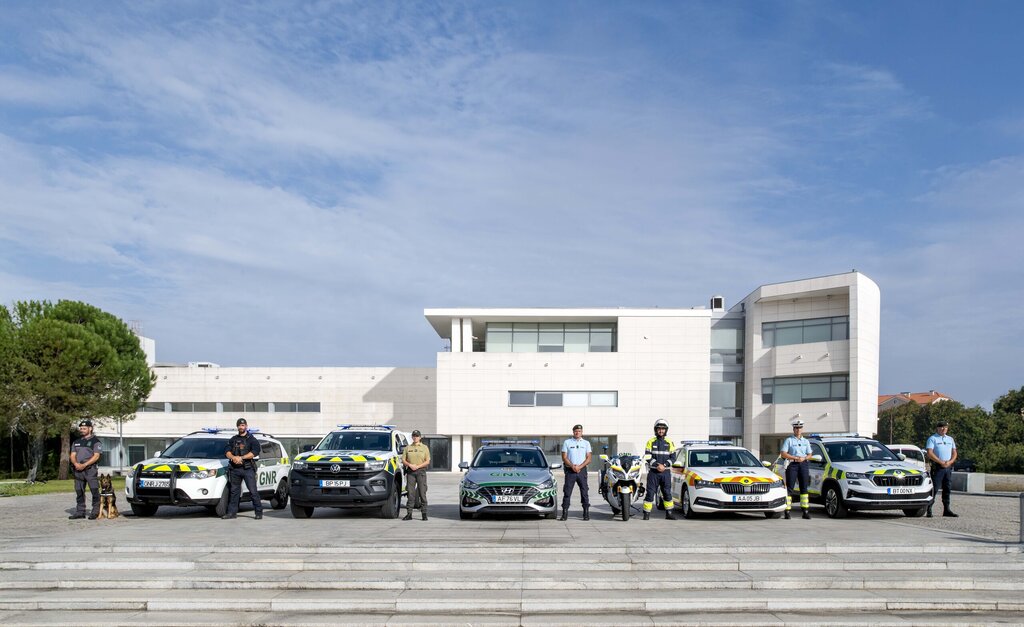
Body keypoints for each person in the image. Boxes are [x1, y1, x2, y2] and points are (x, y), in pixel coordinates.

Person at [223, 418, 263, 520]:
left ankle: (258, 512)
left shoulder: (252, 439)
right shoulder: (233, 439)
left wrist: (241, 458)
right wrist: (234, 457)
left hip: (248, 468)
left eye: (243, 425)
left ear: (246, 426)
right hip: (235, 469)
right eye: (239, 425)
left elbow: (254, 452)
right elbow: (227, 451)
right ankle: (232, 513)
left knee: (253, 491)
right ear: (237, 427)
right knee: (234, 492)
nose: (241, 427)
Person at [642, 419, 676, 520]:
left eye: (663, 429)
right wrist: (657, 465)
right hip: (653, 472)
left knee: (667, 493)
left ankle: (669, 513)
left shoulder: (670, 442)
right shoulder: (650, 442)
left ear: (666, 430)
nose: (661, 431)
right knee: (650, 493)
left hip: (665, 473)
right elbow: (647, 456)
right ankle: (646, 514)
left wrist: (664, 465)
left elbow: (673, 457)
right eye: (659, 429)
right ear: (656, 430)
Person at [780, 420, 813, 520]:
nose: (798, 430)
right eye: (796, 428)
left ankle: (805, 511)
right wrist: (793, 457)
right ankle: (787, 511)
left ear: (802, 429)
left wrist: (805, 458)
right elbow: (783, 453)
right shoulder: (789, 440)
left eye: (800, 428)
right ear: (793, 429)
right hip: (792, 464)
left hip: (803, 464)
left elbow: (810, 454)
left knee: (804, 488)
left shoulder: (806, 441)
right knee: (790, 488)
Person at [69, 420, 102, 520]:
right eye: (81, 429)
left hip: (90, 470)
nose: (82, 430)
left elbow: (96, 456)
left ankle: (95, 511)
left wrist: (85, 464)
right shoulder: (76, 442)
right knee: (79, 491)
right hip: (78, 470)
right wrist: (75, 464)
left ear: (90, 428)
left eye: (84, 428)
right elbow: (72, 455)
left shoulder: (96, 442)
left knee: (94, 490)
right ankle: (80, 512)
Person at [926, 421, 958, 518]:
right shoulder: (933, 439)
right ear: (937, 428)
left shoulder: (950, 439)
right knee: (934, 489)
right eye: (941, 427)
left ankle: (946, 509)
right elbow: (929, 453)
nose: (943, 429)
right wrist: (940, 462)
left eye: (945, 427)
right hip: (938, 467)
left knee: (947, 488)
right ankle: (929, 509)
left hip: (948, 466)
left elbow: (954, 452)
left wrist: (950, 462)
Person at [560, 424, 592, 521]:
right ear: (573, 432)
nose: (577, 432)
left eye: (579, 431)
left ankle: (586, 513)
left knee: (584, 492)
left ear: (582, 432)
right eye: (576, 431)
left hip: (582, 471)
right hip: (570, 471)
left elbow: (589, 458)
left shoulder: (586, 443)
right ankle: (564, 513)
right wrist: (572, 466)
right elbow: (564, 457)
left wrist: (579, 467)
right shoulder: (567, 442)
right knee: (567, 492)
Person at [402, 430, 431, 521]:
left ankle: (424, 514)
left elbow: (427, 461)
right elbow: (403, 460)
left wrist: (418, 466)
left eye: (417, 436)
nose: (415, 437)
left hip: (421, 471)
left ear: (420, 437)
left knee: (422, 493)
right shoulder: (408, 447)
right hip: (411, 472)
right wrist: (410, 465)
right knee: (410, 493)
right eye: (414, 436)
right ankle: (409, 514)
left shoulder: (424, 447)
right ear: (412, 437)